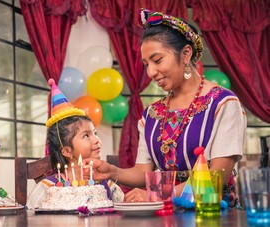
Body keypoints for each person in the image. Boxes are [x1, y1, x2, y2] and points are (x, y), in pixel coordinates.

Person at [84, 8, 246, 207]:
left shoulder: (223, 103)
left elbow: (215, 179)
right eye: (146, 64)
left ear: (186, 54)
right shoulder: (151, 114)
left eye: (157, 60)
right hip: (166, 217)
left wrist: (157, 194)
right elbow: (144, 171)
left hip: (213, 216)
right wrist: (112, 171)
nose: (151, 72)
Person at [26, 79, 124, 210]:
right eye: (86, 136)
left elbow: (121, 213)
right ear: (66, 151)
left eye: (95, 133)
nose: (96, 140)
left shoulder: (107, 185)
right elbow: (31, 217)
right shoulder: (47, 188)